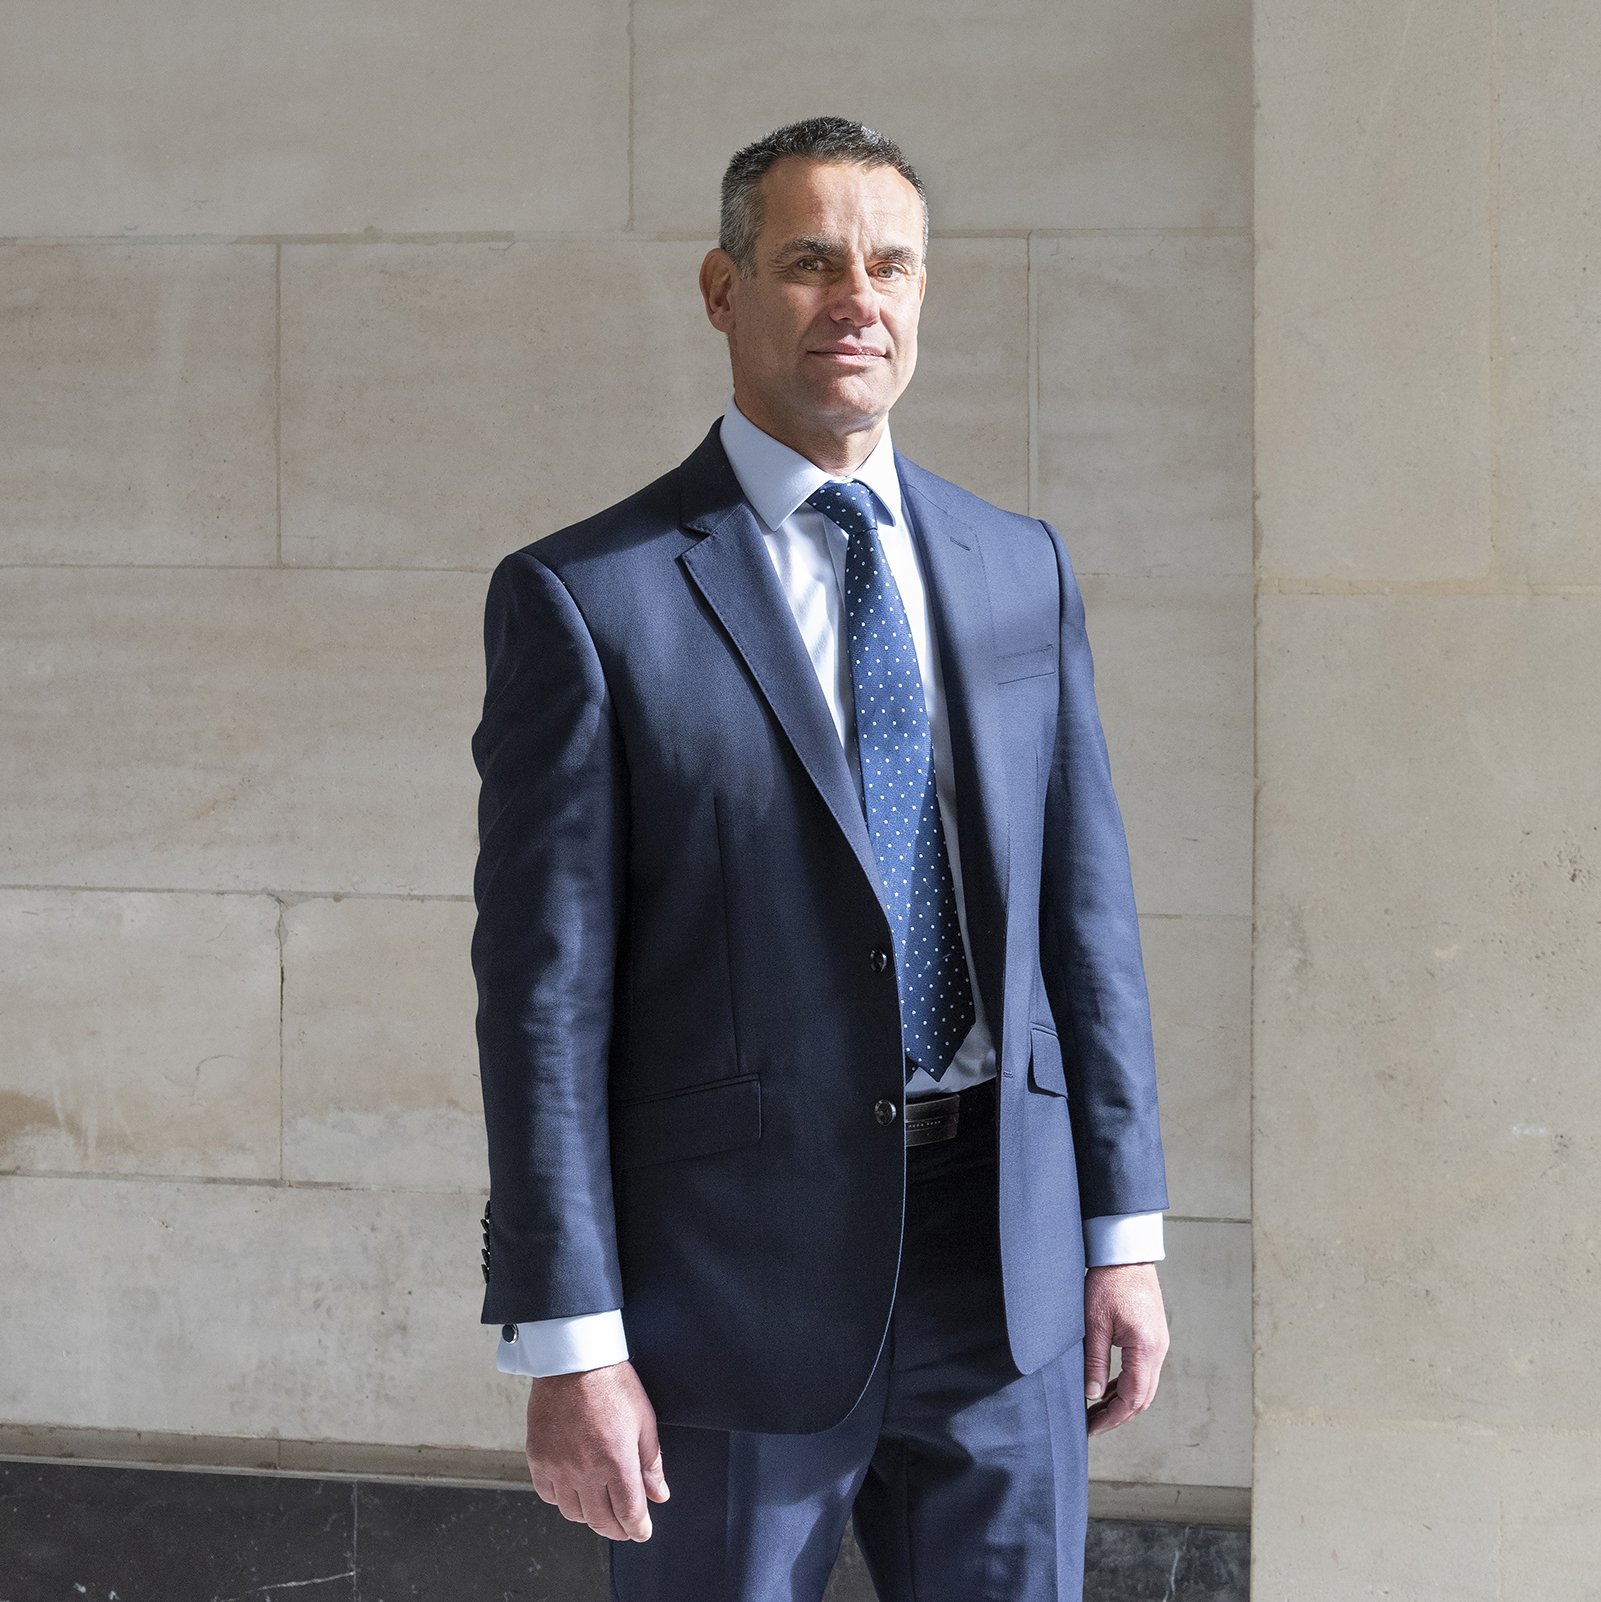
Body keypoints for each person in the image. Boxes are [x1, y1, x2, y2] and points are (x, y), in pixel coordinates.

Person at [470, 114, 1171, 1602]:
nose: (858, 298)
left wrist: (1122, 1232)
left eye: (890, 266)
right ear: (723, 291)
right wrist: (569, 1336)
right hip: (724, 1300)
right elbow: (541, 1004)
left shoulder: (1017, 565)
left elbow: (1082, 923)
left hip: (1006, 1270)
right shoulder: (587, 601)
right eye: (809, 262)